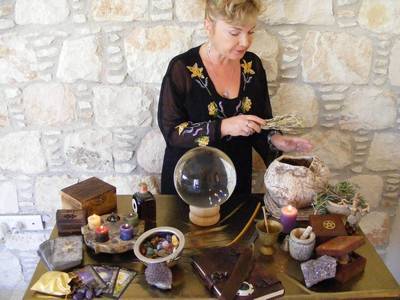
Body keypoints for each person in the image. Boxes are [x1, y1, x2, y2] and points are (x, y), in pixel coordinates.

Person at [158, 0, 312, 195]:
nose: (245, 42)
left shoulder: (252, 66)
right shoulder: (182, 68)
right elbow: (172, 133)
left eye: (251, 32)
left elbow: (260, 123)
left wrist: (276, 140)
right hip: (189, 184)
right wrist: (224, 126)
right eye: (234, 32)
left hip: (236, 182)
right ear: (209, 26)